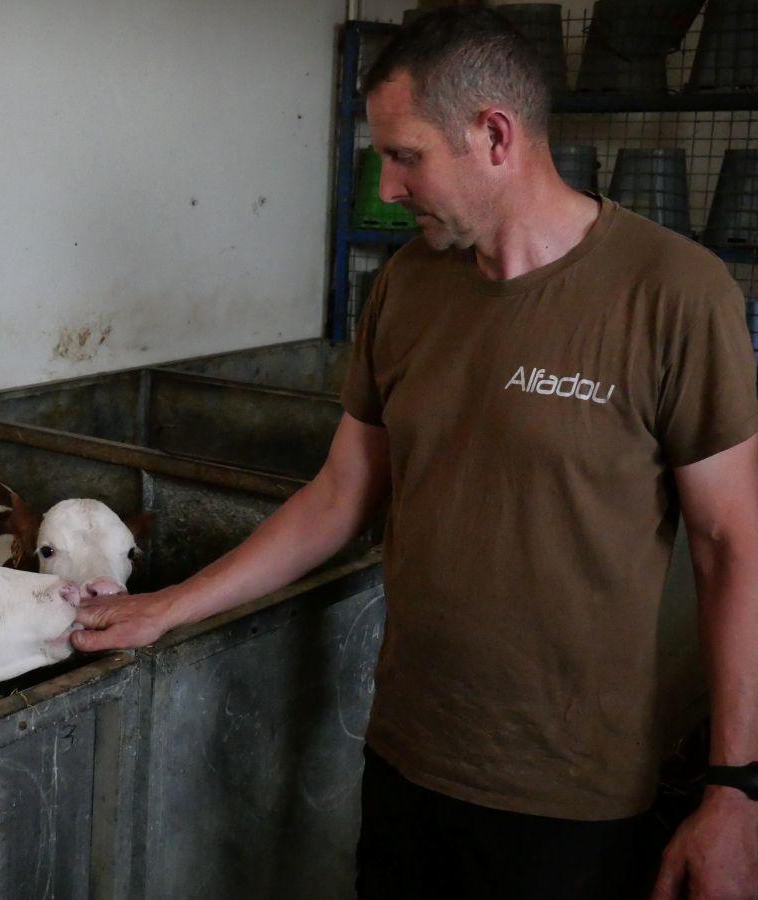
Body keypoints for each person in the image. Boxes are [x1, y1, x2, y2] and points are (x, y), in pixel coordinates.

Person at [72, 7, 758, 899]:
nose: (388, 188)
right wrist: (169, 608)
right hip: (406, 761)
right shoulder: (407, 287)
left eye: (405, 155)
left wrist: (735, 790)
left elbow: (732, 546)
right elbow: (342, 494)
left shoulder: (673, 292)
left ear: (496, 135)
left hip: (571, 796)